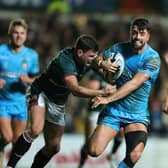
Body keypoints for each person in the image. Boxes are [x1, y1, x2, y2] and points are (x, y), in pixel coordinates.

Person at [6, 34, 117, 168]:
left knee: (53, 147)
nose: (93, 59)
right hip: (41, 92)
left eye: (94, 56)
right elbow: (75, 90)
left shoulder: (87, 59)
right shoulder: (65, 61)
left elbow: (102, 68)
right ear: (80, 52)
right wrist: (102, 92)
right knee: (35, 130)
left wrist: (107, 67)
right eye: (91, 56)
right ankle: (10, 166)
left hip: (57, 101)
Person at [86, 18, 160, 168]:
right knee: (93, 150)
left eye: (141, 33)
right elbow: (95, 59)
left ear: (148, 36)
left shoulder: (152, 58)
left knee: (134, 155)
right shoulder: (119, 49)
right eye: (134, 33)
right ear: (130, 33)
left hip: (137, 116)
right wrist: (102, 63)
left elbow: (134, 84)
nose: (137, 37)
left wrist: (108, 98)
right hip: (114, 111)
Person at [0, 19, 39, 166]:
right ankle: (1, 146)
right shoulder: (1, 52)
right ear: (10, 33)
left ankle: (11, 165)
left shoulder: (31, 55)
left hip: (20, 103)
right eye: (16, 32)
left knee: (17, 140)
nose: (19, 36)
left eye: (22, 33)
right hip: (2, 102)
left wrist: (28, 80)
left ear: (26, 35)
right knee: (7, 136)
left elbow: (36, 78)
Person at [78, 71, 124, 168]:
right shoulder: (97, 74)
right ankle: (81, 164)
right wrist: (106, 92)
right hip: (95, 112)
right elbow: (91, 93)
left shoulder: (120, 76)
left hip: (111, 112)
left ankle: (112, 154)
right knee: (90, 146)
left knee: (121, 131)